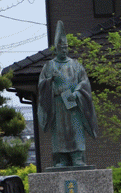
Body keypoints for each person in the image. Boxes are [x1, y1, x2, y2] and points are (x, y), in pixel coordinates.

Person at [37, 21, 98, 168]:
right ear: (56, 49)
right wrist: (50, 80)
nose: (64, 51)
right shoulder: (49, 66)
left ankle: (77, 157)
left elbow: (85, 83)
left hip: (73, 103)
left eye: (66, 48)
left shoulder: (76, 65)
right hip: (57, 104)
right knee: (60, 132)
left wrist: (77, 93)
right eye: (61, 48)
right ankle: (62, 159)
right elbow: (41, 84)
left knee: (75, 130)